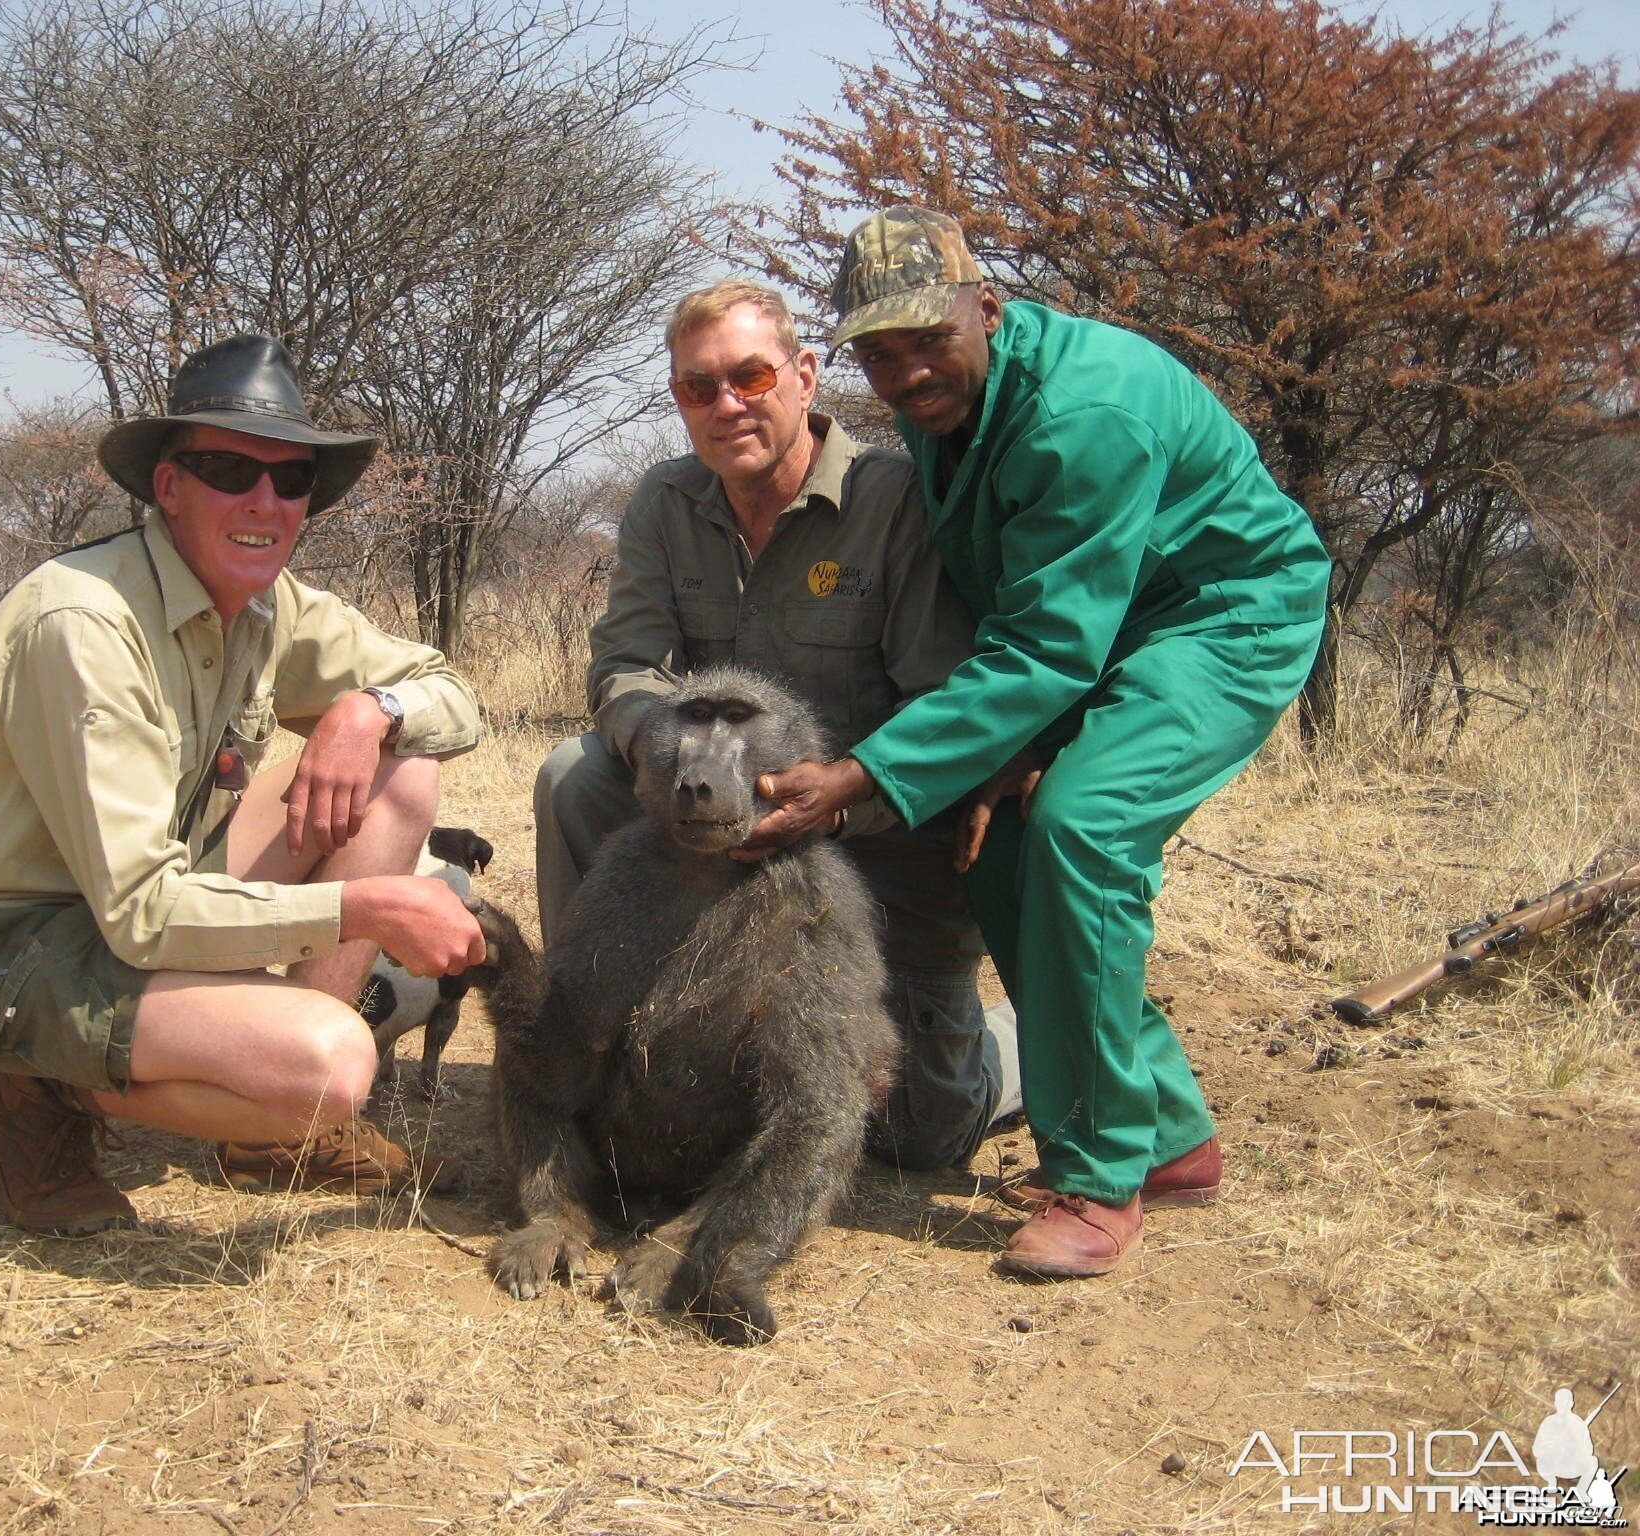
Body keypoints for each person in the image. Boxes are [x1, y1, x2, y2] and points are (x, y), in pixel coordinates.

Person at [751, 207, 1330, 1278]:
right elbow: (1023, 609)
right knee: (1008, 849)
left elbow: (1048, 643)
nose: (908, 371)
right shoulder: (950, 417)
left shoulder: (1083, 410)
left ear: (987, 306)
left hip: (1217, 613)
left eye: (927, 339)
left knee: (1083, 828)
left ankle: (1098, 1173)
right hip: (1095, 624)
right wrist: (991, 753)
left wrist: (861, 774)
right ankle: (1167, 1134)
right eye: (879, 354)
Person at [0, 333, 487, 1236]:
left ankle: (278, 1136)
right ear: (167, 487)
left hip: (142, 902)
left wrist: (366, 710)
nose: (264, 501)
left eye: (291, 481)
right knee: (331, 1065)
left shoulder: (270, 600)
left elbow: (451, 693)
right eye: (227, 468)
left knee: (398, 776)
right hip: (4, 945)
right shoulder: (82, 623)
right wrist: (365, 908)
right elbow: (143, 912)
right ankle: (40, 1091)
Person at [535, 279, 1020, 1173]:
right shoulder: (663, 504)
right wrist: (659, 749)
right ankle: (594, 1035)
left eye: (751, 377)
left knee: (916, 1136)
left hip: (872, 840)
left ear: (803, 375)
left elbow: (941, 704)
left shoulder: (897, 498)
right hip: (713, 831)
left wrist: (840, 803)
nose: (727, 405)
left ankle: (1006, 1046)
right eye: (697, 388)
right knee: (576, 772)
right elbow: (624, 670)